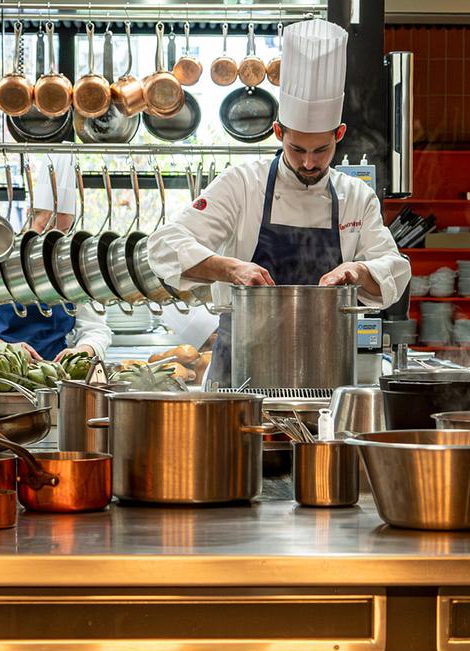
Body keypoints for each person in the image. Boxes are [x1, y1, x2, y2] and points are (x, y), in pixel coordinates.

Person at [146, 19, 410, 386]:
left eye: (321, 150)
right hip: (240, 370)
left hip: (325, 369)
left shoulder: (356, 198)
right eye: (297, 149)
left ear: (339, 134)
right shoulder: (242, 185)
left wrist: (358, 272)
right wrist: (229, 269)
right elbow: (162, 247)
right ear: (278, 132)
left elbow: (394, 270)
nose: (309, 163)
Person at [0, 158, 111, 363]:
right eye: (47, 227)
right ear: (30, 216)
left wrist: (84, 349)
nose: (54, 239)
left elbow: (96, 328)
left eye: (64, 231)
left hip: (54, 372)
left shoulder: (73, 266)